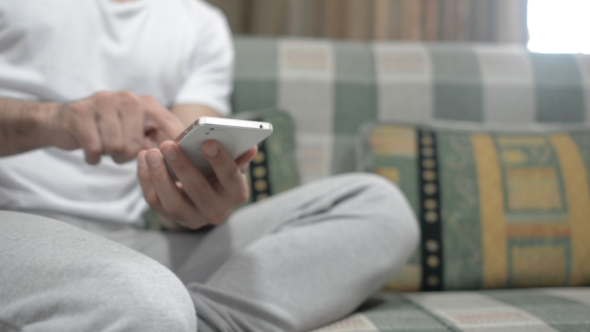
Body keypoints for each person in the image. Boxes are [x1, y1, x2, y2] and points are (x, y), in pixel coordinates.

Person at [0, 0, 419, 331]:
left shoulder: (201, 23)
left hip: (133, 243)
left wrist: (195, 198)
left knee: (378, 206)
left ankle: (174, 320)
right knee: (146, 299)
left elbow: (184, 140)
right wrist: (51, 121)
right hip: (15, 227)